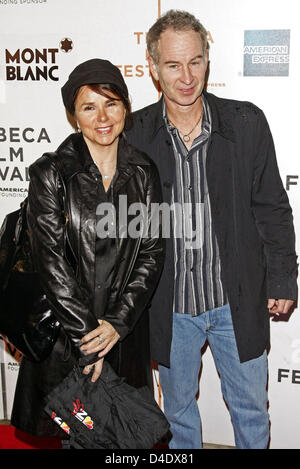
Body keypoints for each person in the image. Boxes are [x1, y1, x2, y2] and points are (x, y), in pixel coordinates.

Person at [126, 10, 298, 449]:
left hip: (234, 301)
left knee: (250, 413)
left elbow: (272, 207)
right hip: (168, 306)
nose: (186, 77)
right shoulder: (134, 133)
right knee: (178, 416)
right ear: (152, 67)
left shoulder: (246, 123)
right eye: (173, 65)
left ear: (208, 59)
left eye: (195, 61)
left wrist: (281, 277)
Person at [11, 58, 164, 441]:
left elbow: (152, 253)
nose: (102, 117)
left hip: (123, 337)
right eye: (89, 107)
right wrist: (89, 338)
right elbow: (50, 264)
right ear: (73, 116)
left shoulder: (146, 172)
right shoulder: (50, 174)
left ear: (125, 107)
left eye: (111, 103)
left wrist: (116, 324)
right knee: (72, 437)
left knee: (120, 440)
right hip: (67, 339)